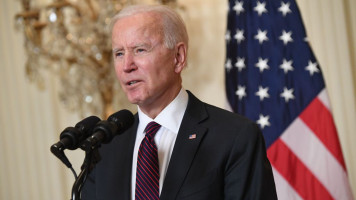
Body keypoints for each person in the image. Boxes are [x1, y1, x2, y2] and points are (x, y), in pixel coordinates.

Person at [82, 4, 277, 200]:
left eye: (140, 50)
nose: (127, 66)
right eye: (119, 53)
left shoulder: (235, 137)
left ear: (178, 57)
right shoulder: (104, 149)